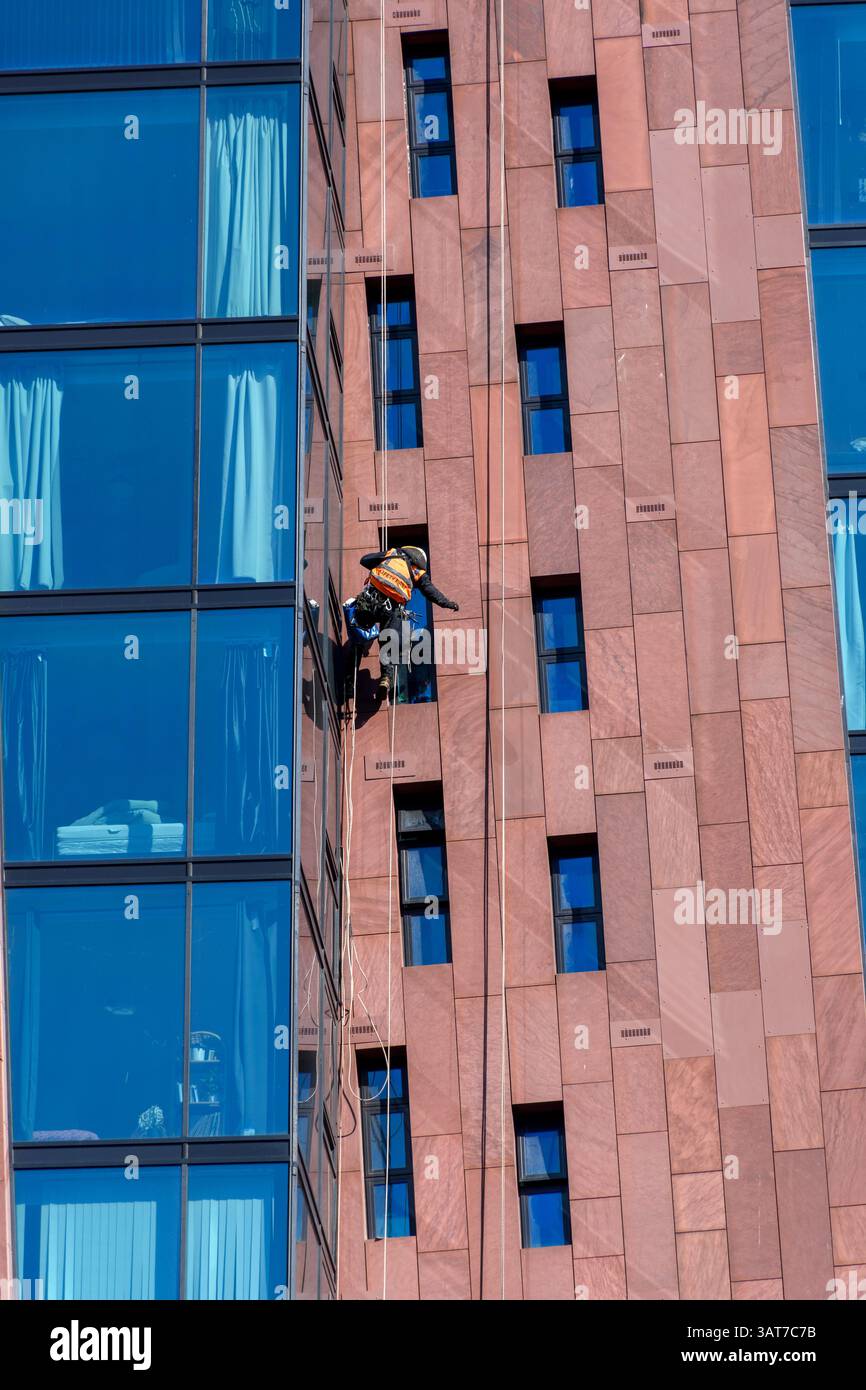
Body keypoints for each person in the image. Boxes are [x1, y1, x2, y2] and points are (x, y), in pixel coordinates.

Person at [352, 545, 459, 699]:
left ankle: (352, 668)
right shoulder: (417, 571)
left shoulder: (392, 554)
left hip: (370, 600)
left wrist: (380, 564)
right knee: (389, 643)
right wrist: (448, 603)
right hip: (392, 607)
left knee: (358, 624)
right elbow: (431, 592)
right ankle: (386, 678)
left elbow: (365, 560)